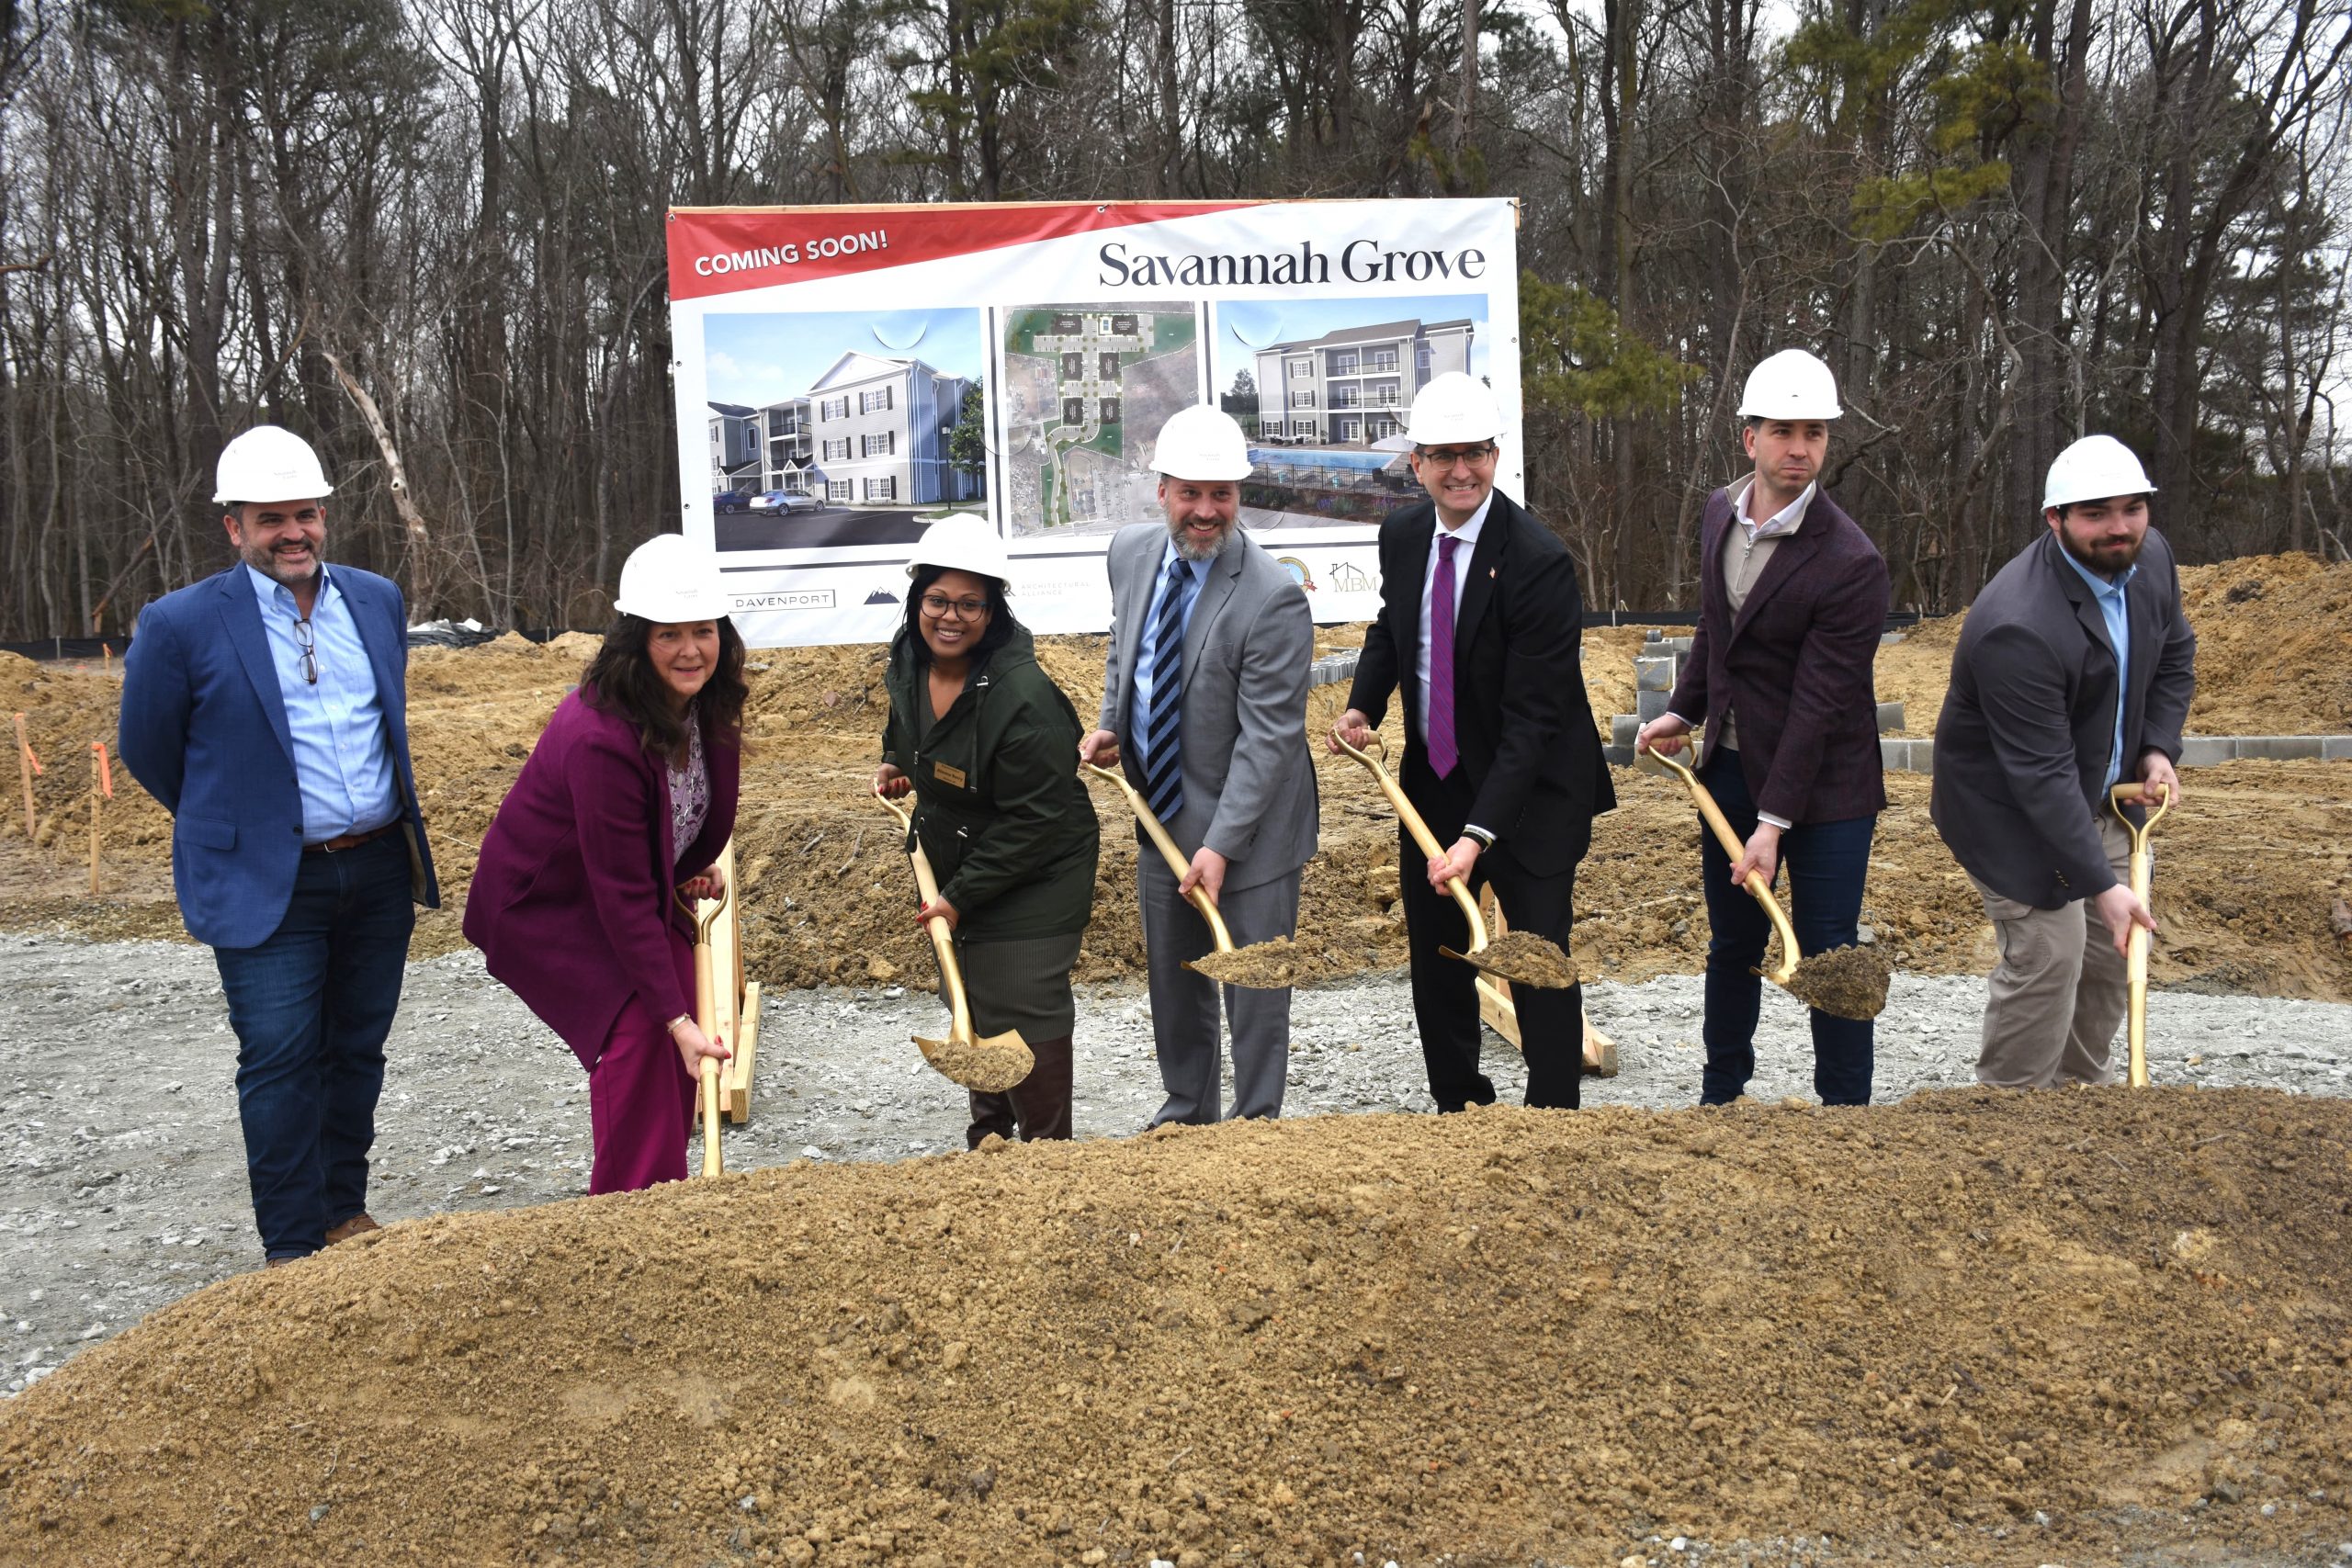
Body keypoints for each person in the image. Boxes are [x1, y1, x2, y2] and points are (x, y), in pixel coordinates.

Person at [118, 425, 440, 1267]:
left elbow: (385, 721)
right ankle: (293, 1249)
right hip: (270, 882)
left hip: (374, 866)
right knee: (279, 1058)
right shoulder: (181, 624)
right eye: (271, 519)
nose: (293, 532)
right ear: (234, 527)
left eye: (306, 514)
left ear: (325, 514)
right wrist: (235, 825)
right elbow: (150, 748)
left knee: (356, 1045)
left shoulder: (374, 599)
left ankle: (343, 1209)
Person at [1330, 373, 1614, 1111]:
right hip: (1436, 777)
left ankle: (1551, 1115)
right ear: (1417, 463)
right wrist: (1364, 706)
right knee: (1438, 956)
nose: (1462, 471)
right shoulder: (1402, 536)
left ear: (1496, 455)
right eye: (1444, 455)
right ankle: (1460, 1108)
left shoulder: (1537, 560)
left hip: (1534, 792)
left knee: (1536, 953)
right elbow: (1393, 632)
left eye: (1477, 453)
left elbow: (1533, 721)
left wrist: (1478, 836)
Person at [1634, 349, 1891, 1107]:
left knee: (1829, 952)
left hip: (1829, 790)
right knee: (1734, 944)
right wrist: (1686, 707)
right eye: (1783, 430)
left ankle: (1846, 1114)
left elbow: (1820, 703)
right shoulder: (1721, 512)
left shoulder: (1851, 561)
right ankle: (1723, 1097)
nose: (1799, 448)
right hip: (1736, 769)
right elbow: (1719, 629)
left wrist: (1772, 825)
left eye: (1814, 432)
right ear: (1750, 438)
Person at [465, 534, 741, 1192]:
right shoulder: (600, 735)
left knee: (682, 1019)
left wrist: (679, 867)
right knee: (645, 1030)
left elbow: (665, 822)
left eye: (703, 630)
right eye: (669, 634)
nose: (690, 650)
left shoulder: (707, 705)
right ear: (636, 639)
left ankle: (662, 1191)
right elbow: (617, 893)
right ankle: (627, 1219)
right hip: (547, 904)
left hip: (622, 885)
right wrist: (673, 1019)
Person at [1931, 434, 2194, 1089]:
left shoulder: (2151, 561)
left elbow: (2175, 656)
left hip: (2100, 794)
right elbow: (2040, 776)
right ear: (2055, 520)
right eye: (2095, 513)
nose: (2118, 527)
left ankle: (2080, 1102)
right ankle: (2012, 1114)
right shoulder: (2017, 624)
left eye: (2132, 509)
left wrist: (2157, 746)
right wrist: (2100, 887)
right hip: (2009, 809)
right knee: (2052, 952)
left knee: (2113, 951)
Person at [1078, 406, 1317, 1125]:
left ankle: (1255, 1124)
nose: (1206, 511)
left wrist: (1219, 846)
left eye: (1222, 495)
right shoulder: (1130, 551)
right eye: (1191, 493)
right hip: (1162, 810)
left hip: (1253, 828)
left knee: (1252, 989)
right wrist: (1110, 722)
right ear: (1162, 491)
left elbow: (1268, 739)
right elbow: (1128, 645)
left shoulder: (1271, 596)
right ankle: (1187, 1111)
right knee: (1175, 980)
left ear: (1239, 497)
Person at [877, 516, 1099, 1146]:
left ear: (993, 609)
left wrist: (958, 895)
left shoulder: (1022, 699)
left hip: (1038, 863)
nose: (951, 617)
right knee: (970, 989)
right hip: (957, 852)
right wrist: (896, 761)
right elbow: (907, 725)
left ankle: (1048, 1148)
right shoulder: (909, 658)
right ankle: (990, 1139)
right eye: (938, 600)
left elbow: (1037, 819)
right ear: (917, 599)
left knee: (1023, 999)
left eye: (970, 603)